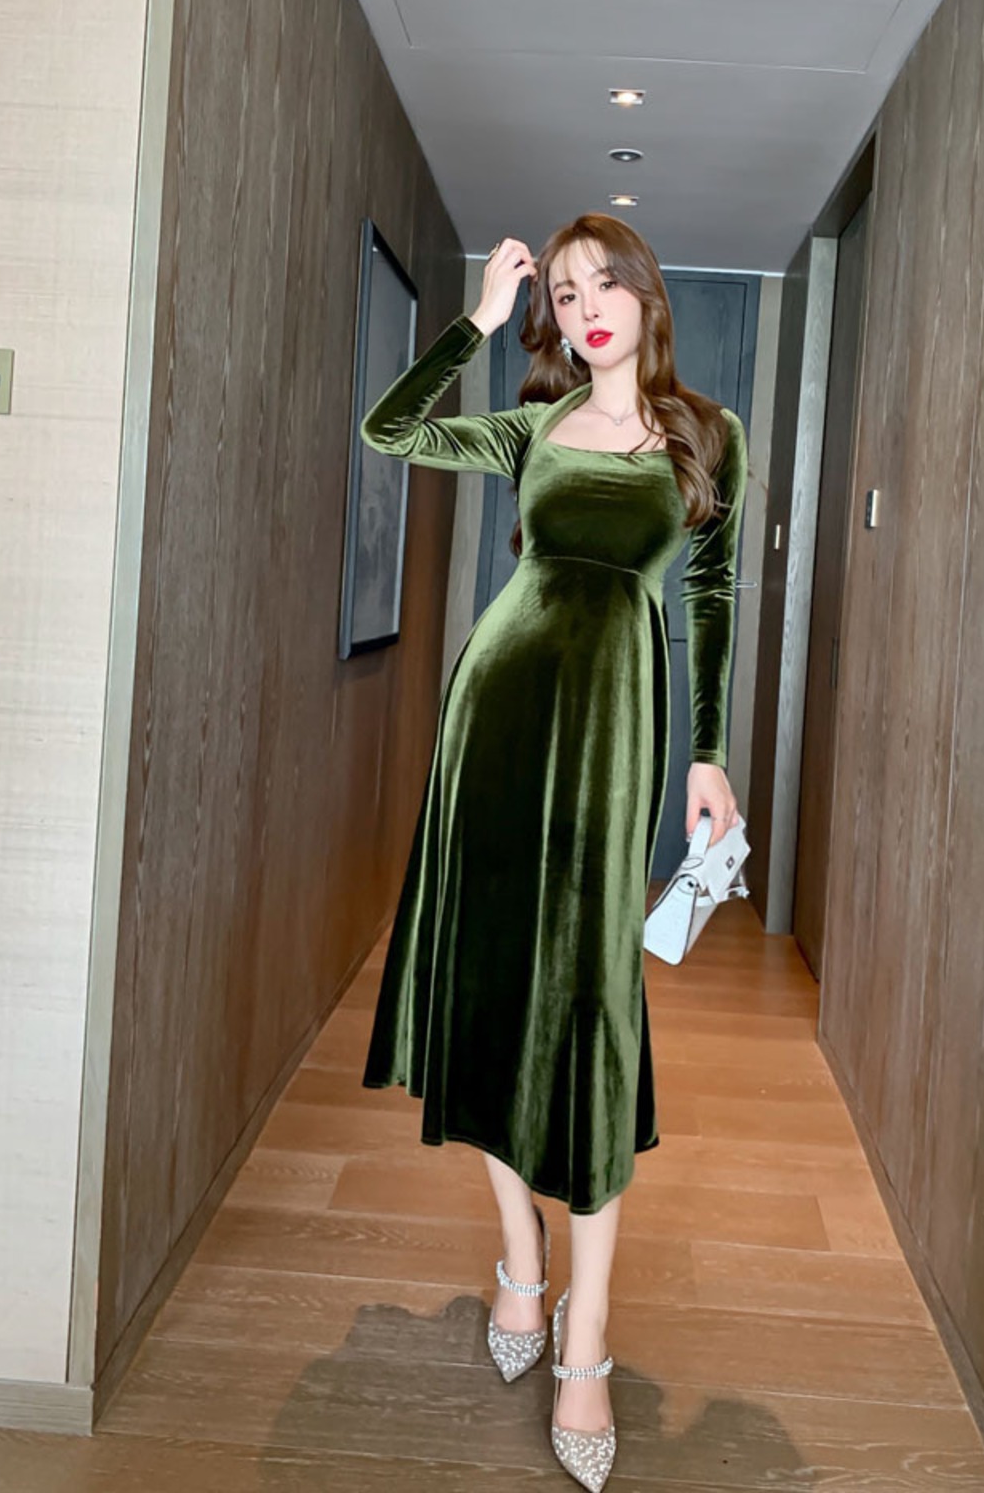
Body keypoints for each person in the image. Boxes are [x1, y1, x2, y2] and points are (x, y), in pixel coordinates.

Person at [359, 213, 747, 1491]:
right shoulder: (530, 428)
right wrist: (475, 322)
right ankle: (519, 1259)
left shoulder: (704, 437)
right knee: (487, 982)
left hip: (611, 732)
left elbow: (708, 595)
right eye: (564, 294)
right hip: (494, 711)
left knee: (588, 1006)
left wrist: (705, 754)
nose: (584, 309)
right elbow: (389, 431)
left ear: (645, 299)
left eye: (603, 286)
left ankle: (588, 1335)